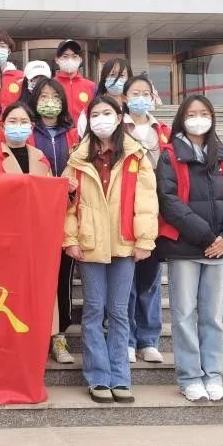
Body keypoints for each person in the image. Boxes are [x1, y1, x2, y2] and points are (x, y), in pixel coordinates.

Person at [157, 95, 223, 403]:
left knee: (212, 316)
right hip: (186, 248)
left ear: (212, 118)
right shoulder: (170, 155)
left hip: (221, 248)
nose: (198, 118)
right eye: (191, 113)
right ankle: (189, 377)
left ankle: (213, 375)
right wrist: (206, 237)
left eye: (203, 113)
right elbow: (169, 202)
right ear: (181, 119)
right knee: (184, 314)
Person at [62, 96, 158, 404]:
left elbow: (147, 202)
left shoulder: (136, 156)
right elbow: (67, 206)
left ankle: (120, 376)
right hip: (89, 243)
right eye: (95, 114)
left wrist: (144, 240)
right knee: (93, 310)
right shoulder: (77, 158)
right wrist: (70, 239)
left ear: (119, 118)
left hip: (124, 242)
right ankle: (98, 377)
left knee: (118, 312)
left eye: (107, 113)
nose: (101, 119)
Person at [27, 77, 80, 363]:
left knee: (62, 277)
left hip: (66, 214)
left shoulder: (73, 135)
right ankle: (34, 335)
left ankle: (59, 336)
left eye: (55, 96)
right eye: (43, 96)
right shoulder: (27, 131)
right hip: (34, 216)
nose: (49, 101)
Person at [122, 75, 171, 365]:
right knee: (126, 281)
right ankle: (127, 338)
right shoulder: (117, 128)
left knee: (150, 281)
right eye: (135, 93)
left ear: (153, 97)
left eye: (146, 93)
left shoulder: (163, 131)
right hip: (124, 212)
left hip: (155, 215)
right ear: (125, 98)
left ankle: (148, 339)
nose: (141, 98)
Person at [0, 103, 50, 175]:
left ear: (31, 127)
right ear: (3, 127)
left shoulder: (41, 158)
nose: (18, 125)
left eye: (24, 122)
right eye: (12, 121)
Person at [76, 58, 133, 137]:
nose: (116, 79)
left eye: (121, 75)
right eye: (112, 75)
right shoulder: (90, 111)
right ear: (104, 78)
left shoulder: (134, 109)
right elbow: (83, 139)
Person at [54, 39, 95, 123]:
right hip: (59, 131)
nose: (70, 60)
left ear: (80, 60)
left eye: (74, 56)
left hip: (83, 131)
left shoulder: (91, 86)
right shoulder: (50, 85)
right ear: (57, 59)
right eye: (65, 56)